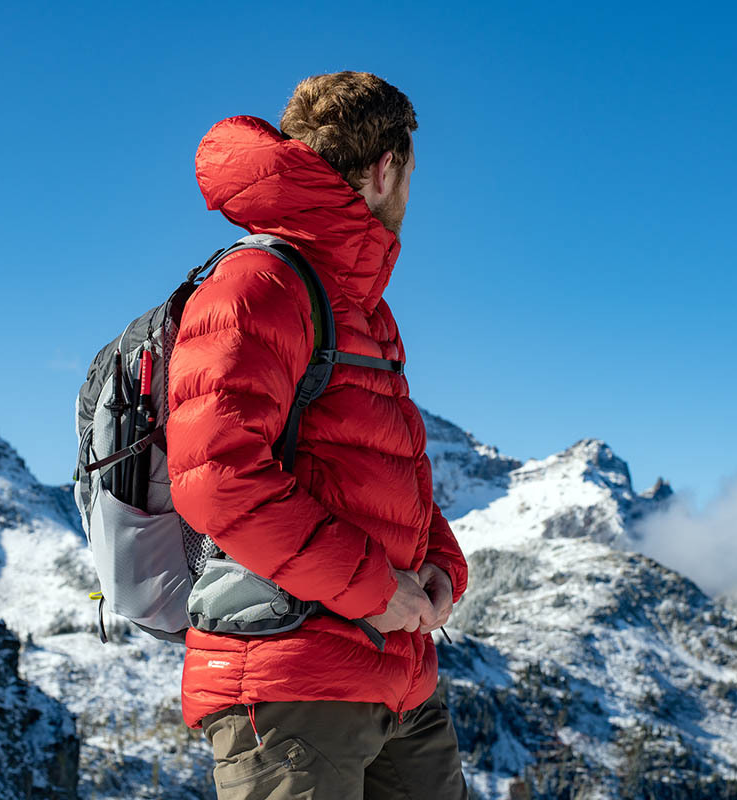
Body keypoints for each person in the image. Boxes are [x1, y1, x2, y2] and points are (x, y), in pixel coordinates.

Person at [166, 71, 470, 799]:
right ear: (384, 168)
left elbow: (383, 472)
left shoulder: (361, 305)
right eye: (410, 174)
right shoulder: (261, 283)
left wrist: (439, 565)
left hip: (392, 673)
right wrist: (371, 589)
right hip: (292, 687)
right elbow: (218, 476)